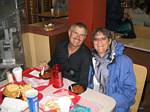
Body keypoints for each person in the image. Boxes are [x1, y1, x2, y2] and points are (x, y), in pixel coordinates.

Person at [88, 28, 136, 112]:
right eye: (96, 39)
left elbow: (129, 92)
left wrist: (108, 101)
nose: (99, 42)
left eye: (103, 38)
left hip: (116, 106)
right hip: (93, 102)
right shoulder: (91, 59)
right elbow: (88, 84)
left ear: (109, 41)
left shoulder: (123, 61)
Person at [48, 22, 92, 87]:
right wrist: (47, 66)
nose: (78, 37)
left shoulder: (86, 55)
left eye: (82, 35)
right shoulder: (60, 46)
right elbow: (53, 64)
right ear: (69, 33)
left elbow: (83, 82)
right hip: (57, 82)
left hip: (74, 87)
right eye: (75, 33)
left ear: (84, 38)